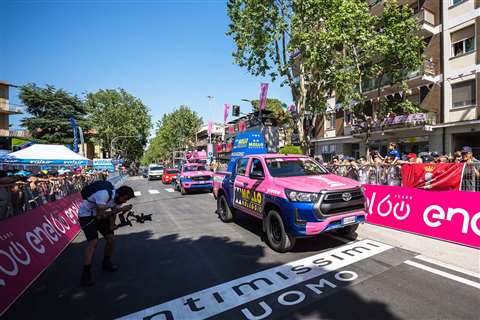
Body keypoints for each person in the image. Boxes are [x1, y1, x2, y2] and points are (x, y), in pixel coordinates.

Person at [78, 185, 135, 286]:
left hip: (99, 215)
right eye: (125, 198)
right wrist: (121, 209)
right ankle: (85, 275)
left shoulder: (117, 201)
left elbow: (112, 214)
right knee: (93, 242)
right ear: (118, 194)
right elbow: (101, 215)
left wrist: (112, 225)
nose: (125, 201)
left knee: (111, 239)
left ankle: (106, 263)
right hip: (86, 215)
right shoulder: (104, 194)